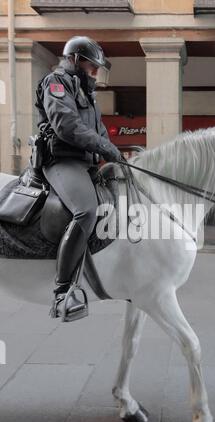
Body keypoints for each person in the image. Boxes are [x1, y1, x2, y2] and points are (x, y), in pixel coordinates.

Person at [35, 36, 122, 321]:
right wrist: (105, 147)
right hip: (62, 161)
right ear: (74, 59)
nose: (95, 72)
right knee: (86, 211)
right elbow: (66, 126)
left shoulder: (87, 91)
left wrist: (115, 152)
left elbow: (98, 130)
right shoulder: (56, 83)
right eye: (91, 65)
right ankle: (63, 292)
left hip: (86, 162)